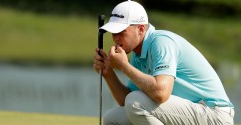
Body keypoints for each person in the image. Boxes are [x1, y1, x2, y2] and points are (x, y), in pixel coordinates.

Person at [93, 0, 234, 125]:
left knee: (135, 102)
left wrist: (124, 66)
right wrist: (108, 73)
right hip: (193, 112)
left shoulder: (161, 42)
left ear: (140, 29)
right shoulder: (138, 52)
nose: (115, 38)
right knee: (112, 118)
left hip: (215, 115)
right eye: (113, 33)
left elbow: (161, 93)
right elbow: (125, 102)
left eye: (121, 32)